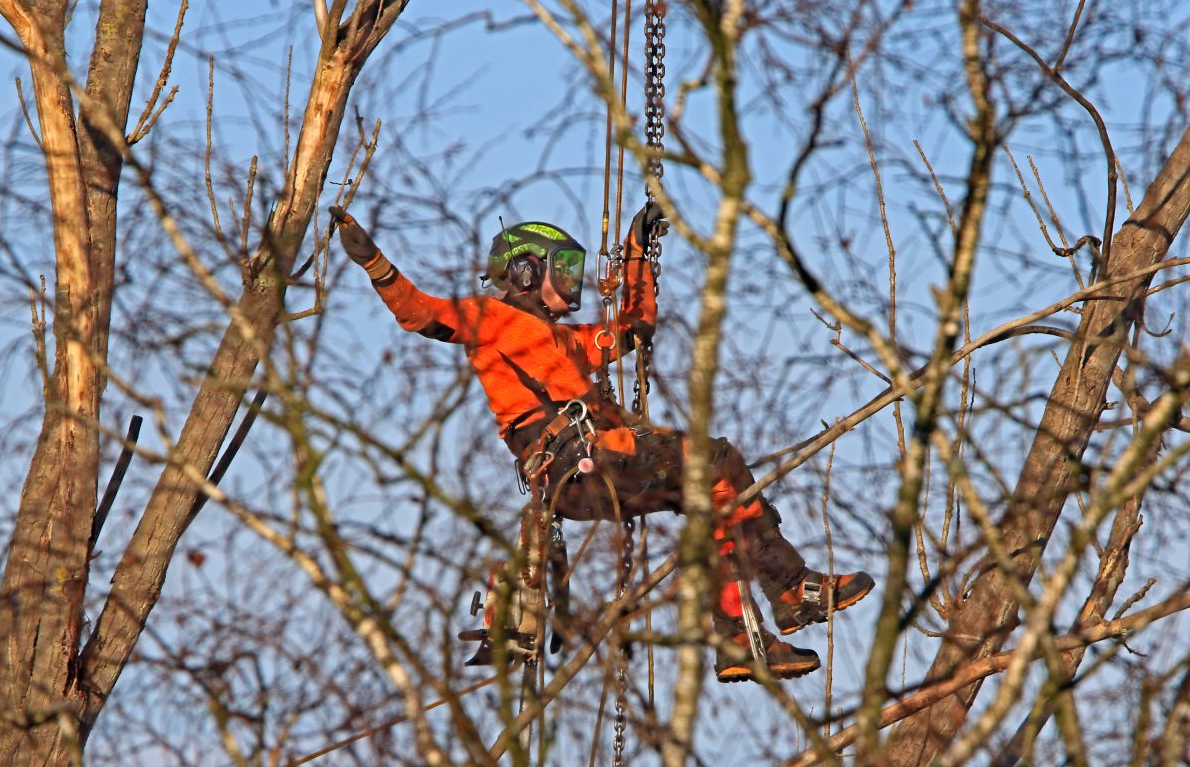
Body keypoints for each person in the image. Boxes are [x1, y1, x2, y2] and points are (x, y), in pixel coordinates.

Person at [329, 203, 874, 682]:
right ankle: (790, 588)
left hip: (600, 466)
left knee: (716, 494)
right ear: (525, 271)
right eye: (561, 269)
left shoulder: (569, 341)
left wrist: (638, 250)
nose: (572, 282)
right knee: (719, 461)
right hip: (581, 462)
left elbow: (636, 325)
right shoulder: (491, 318)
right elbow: (421, 313)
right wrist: (374, 262)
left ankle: (739, 638)